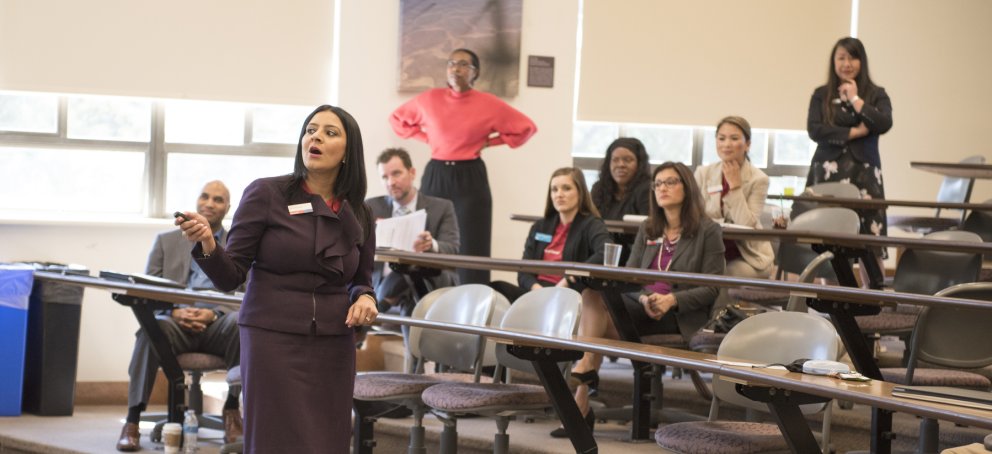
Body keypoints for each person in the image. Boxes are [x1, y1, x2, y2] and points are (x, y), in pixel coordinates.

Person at [175, 105, 378, 453]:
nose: (315, 137)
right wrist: (208, 243)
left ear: (348, 152)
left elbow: (361, 279)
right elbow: (231, 275)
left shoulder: (359, 212)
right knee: (274, 437)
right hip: (272, 336)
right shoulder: (267, 194)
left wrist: (365, 298)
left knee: (327, 439)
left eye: (330, 132)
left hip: (333, 341)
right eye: (311, 129)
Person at [552, 162, 725, 438]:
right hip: (640, 308)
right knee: (593, 294)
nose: (662, 189)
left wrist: (672, 300)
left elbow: (713, 288)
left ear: (688, 188)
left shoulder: (708, 231)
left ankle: (583, 390)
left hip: (677, 316)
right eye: (657, 184)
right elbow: (630, 279)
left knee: (593, 318)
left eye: (670, 182)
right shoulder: (649, 228)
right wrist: (644, 298)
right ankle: (583, 393)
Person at [389, 48, 538, 285]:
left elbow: (526, 128)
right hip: (437, 172)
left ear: (474, 72)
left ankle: (473, 301)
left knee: (472, 241)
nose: (456, 68)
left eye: (463, 64)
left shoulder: (488, 103)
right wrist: (427, 138)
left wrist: (491, 141)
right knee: (429, 235)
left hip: (471, 176)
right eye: (451, 63)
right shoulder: (430, 99)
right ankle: (427, 295)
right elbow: (397, 119)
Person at [116, 180, 242, 452]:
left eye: (218, 200)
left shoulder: (238, 244)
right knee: (152, 328)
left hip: (219, 326)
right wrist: (174, 310)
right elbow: (147, 291)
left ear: (227, 208)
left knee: (241, 324)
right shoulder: (165, 241)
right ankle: (133, 420)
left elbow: (247, 294)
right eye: (205, 197)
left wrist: (214, 312)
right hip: (175, 324)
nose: (209, 203)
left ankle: (232, 409)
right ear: (197, 201)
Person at [807, 37, 893, 238]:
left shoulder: (876, 94)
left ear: (862, 61)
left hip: (864, 173)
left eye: (853, 58)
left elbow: (884, 123)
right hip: (827, 169)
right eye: (841, 58)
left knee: (869, 241)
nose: (847, 64)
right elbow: (814, 129)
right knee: (821, 236)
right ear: (833, 62)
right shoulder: (821, 94)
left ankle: (870, 271)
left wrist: (856, 100)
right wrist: (854, 133)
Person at [489, 167, 610, 302]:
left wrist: (568, 281)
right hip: (537, 291)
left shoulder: (592, 224)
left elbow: (605, 252)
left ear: (580, 192)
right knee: (494, 288)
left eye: (566, 188)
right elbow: (523, 271)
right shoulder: (540, 226)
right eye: (554, 189)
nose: (559, 194)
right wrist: (538, 290)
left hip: (567, 292)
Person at [693, 116, 775, 313]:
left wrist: (735, 187)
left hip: (747, 256)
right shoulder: (703, 173)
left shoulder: (758, 179)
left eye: (734, 138)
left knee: (723, 275)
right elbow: (695, 215)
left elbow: (746, 224)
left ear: (747, 144)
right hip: (709, 250)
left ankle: (716, 324)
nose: (726, 144)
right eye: (721, 138)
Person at [367, 147, 460, 316]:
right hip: (384, 284)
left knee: (409, 269)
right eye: (384, 177)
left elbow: (453, 249)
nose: (391, 182)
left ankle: (379, 309)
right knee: (409, 294)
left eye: (396, 174)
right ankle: (385, 303)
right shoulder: (371, 207)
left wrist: (431, 245)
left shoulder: (442, 207)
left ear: (412, 173)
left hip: (431, 281)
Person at [590, 138, 652, 264]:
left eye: (627, 160)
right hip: (600, 252)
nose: (621, 164)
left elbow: (649, 230)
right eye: (615, 160)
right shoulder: (599, 189)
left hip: (634, 257)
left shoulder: (647, 189)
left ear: (639, 163)